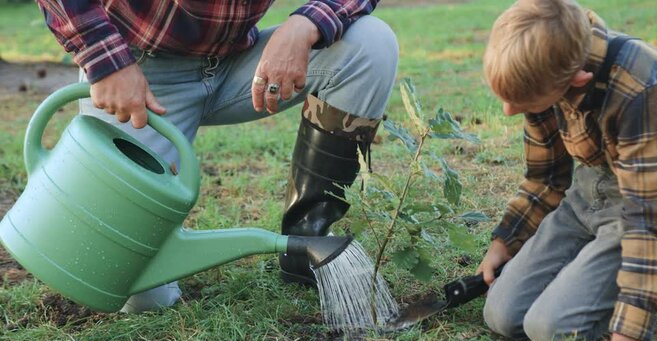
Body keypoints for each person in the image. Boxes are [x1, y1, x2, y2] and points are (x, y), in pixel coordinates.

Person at [37, 1, 398, 313]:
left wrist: (306, 24)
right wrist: (106, 61)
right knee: (136, 290)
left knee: (370, 44)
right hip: (138, 75)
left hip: (240, 64)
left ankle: (306, 243)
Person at [475, 1, 657, 341]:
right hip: (585, 199)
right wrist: (506, 241)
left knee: (548, 327)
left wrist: (627, 336)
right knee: (502, 314)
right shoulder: (545, 68)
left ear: (577, 81)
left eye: (521, 101)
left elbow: (648, 219)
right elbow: (545, 176)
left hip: (647, 204)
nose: (509, 111)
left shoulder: (643, 85)